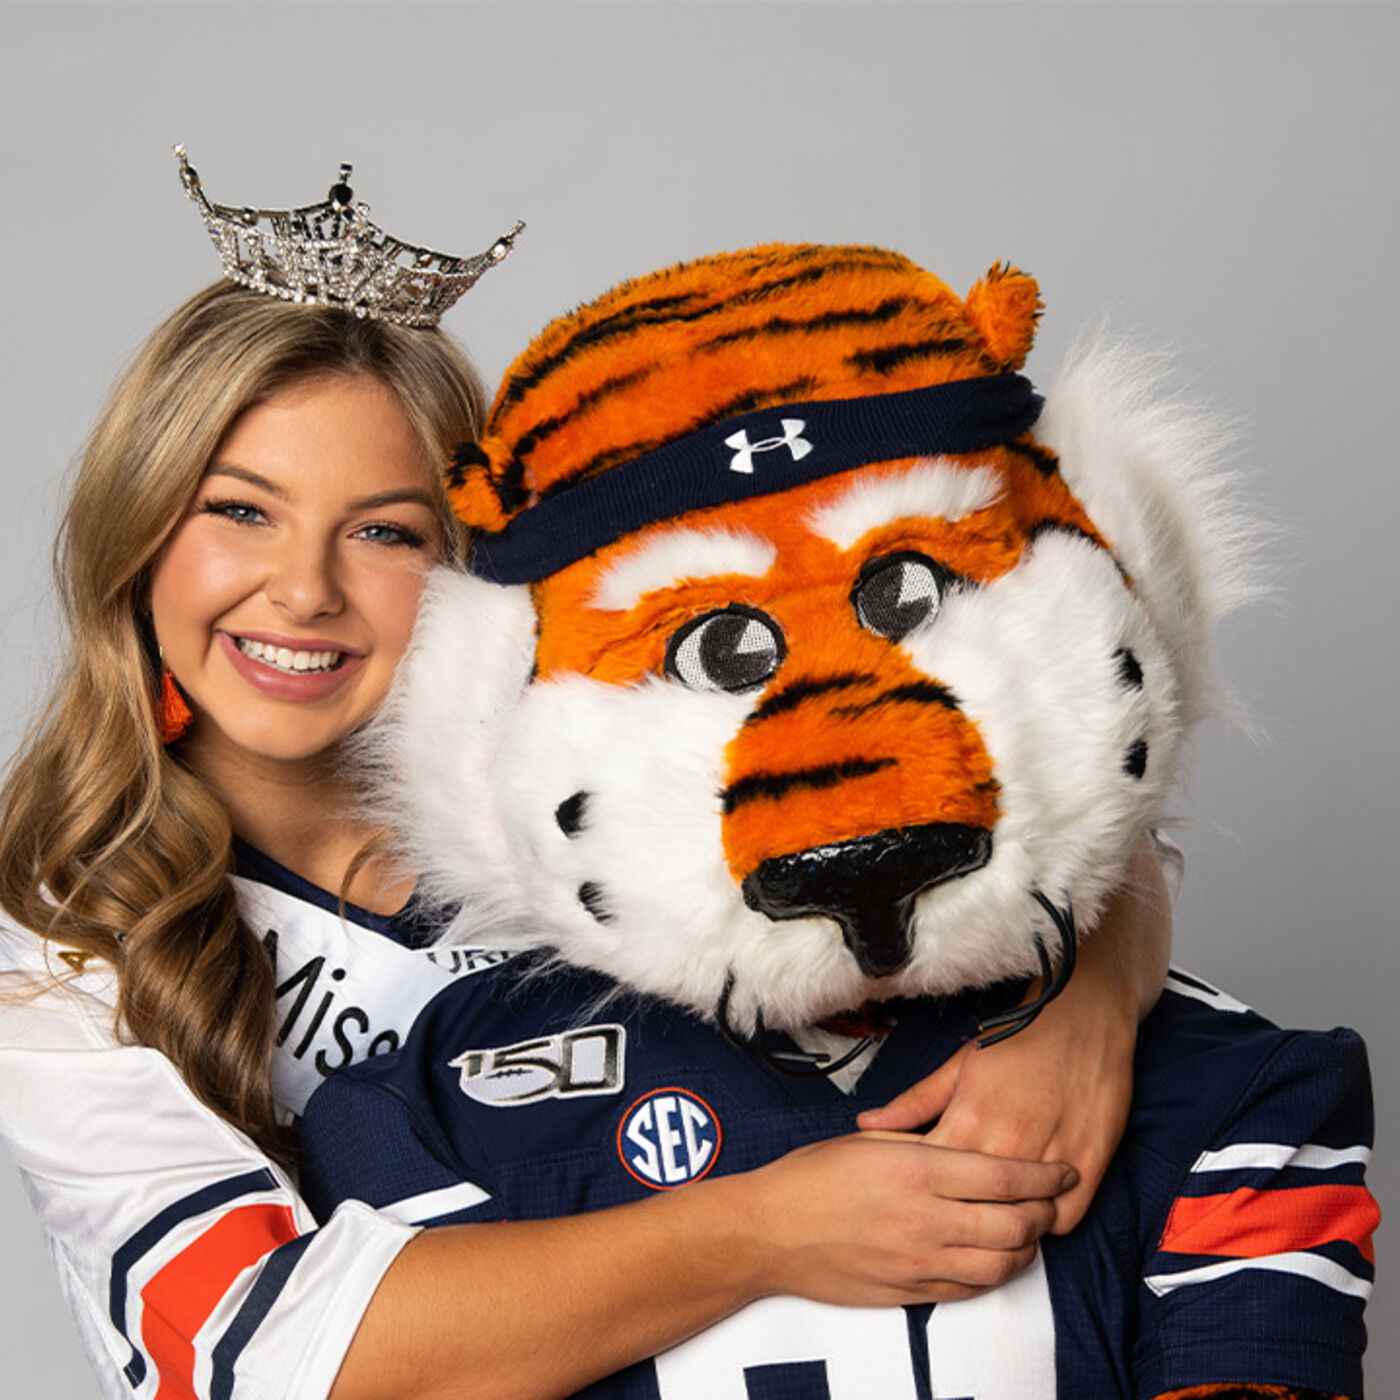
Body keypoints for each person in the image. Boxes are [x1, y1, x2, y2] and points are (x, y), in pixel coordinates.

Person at [0, 167, 1171, 1400]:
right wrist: (762, 1229)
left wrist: (1080, 997)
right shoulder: (55, 950)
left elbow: (975, 836)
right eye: (240, 510)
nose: (303, 591)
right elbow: (260, 1355)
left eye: (385, 530)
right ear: (138, 529)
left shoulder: (579, 779)